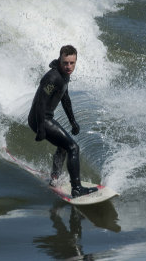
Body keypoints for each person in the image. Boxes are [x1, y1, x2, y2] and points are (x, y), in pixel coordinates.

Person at [28, 45, 98, 198]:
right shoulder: (52, 77)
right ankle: (77, 188)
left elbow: (65, 99)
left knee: (64, 145)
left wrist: (73, 122)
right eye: (65, 62)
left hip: (45, 118)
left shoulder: (64, 75)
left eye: (72, 63)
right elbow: (40, 103)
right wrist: (41, 128)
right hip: (40, 119)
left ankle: (55, 178)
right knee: (73, 147)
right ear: (60, 60)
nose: (69, 66)